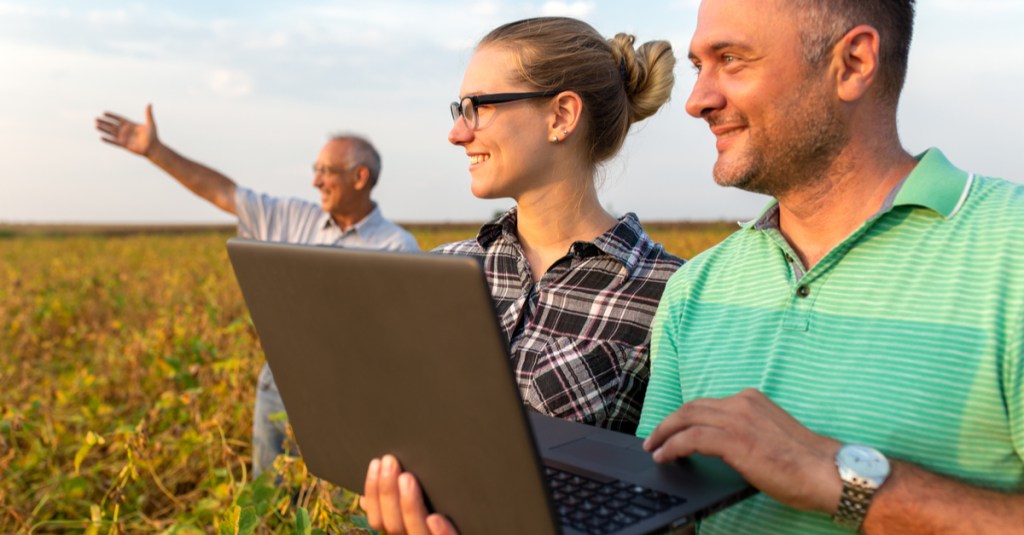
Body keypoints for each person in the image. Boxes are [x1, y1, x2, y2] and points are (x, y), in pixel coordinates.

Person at [638, 0, 1024, 533]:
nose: (698, 100)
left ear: (853, 64)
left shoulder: (1013, 249)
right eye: (698, 65)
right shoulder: (694, 290)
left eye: (730, 58)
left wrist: (838, 478)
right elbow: (654, 506)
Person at [360, 16, 683, 534]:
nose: (457, 132)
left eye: (478, 108)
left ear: (561, 115)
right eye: (458, 110)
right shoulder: (442, 269)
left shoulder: (670, 293)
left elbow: (677, 512)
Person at [94, 107, 420, 476]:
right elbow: (222, 191)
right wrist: (156, 151)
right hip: (279, 386)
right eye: (316, 170)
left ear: (360, 177)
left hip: (351, 399)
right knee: (268, 501)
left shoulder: (397, 246)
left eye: (326, 171)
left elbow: (397, 345)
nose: (316, 182)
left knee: (337, 507)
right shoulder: (293, 218)